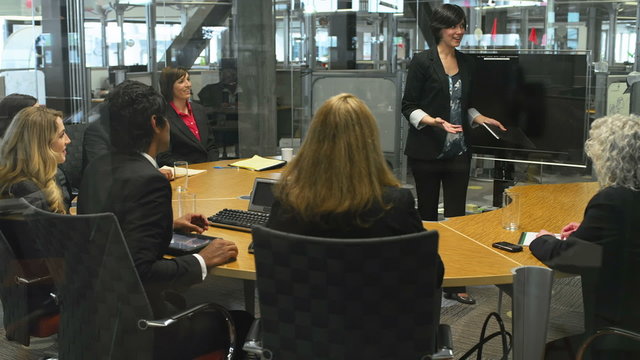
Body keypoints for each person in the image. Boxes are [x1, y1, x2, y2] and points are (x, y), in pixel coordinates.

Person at [77, 80, 252, 360]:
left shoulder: (98, 167)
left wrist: (166, 225)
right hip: (141, 329)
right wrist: (202, 260)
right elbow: (141, 273)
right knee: (243, 320)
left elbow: (108, 232)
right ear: (155, 123)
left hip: (95, 317)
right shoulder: (149, 181)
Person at [266, 93, 444, 285]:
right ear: (370, 142)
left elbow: (269, 264)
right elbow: (432, 273)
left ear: (313, 140)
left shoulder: (289, 199)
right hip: (377, 312)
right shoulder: (395, 204)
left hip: (303, 311)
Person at [401, 3, 506, 305]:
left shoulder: (468, 62)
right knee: (428, 217)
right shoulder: (422, 62)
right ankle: (427, 277)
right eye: (453, 26)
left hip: (459, 150)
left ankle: (456, 279)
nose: (459, 32)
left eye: (462, 26)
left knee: (458, 218)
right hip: (427, 151)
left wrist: (479, 117)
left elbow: (463, 104)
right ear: (439, 29)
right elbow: (408, 106)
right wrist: (432, 121)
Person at [531, 114, 640, 359]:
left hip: (620, 333)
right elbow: (621, 241)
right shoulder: (627, 200)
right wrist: (585, 230)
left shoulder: (612, 200)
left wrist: (543, 239)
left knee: (545, 353)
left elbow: (571, 257)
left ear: (611, 159)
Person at [0, 105, 71, 332]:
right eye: (61, 135)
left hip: (28, 298)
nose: (68, 140)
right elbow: (43, 263)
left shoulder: (18, 183)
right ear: (40, 144)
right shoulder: (25, 191)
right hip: (46, 302)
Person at [157, 66, 218, 167]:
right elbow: (163, 156)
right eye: (181, 82)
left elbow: (211, 145)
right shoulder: (163, 116)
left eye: (188, 80)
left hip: (210, 170)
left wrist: (211, 166)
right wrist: (194, 168)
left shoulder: (199, 109)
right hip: (185, 173)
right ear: (169, 86)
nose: (188, 85)